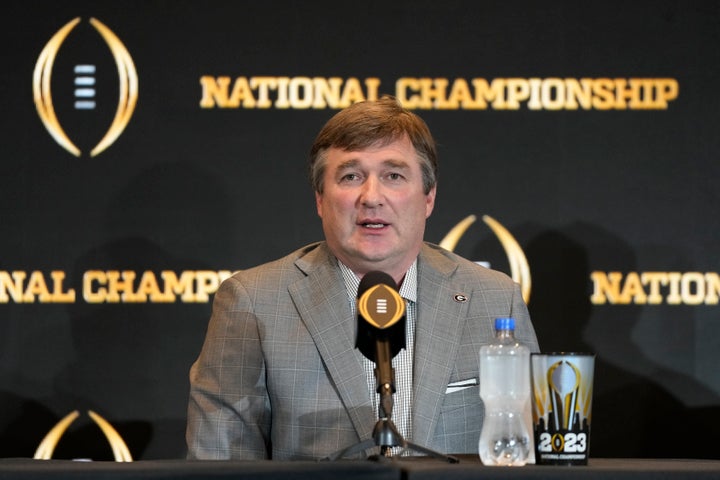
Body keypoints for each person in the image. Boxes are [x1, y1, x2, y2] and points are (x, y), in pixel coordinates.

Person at [186, 96, 539, 460]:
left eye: (394, 175)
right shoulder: (254, 303)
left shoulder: (494, 298)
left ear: (428, 197)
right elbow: (219, 462)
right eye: (351, 176)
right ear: (320, 198)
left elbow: (529, 453)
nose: (372, 197)